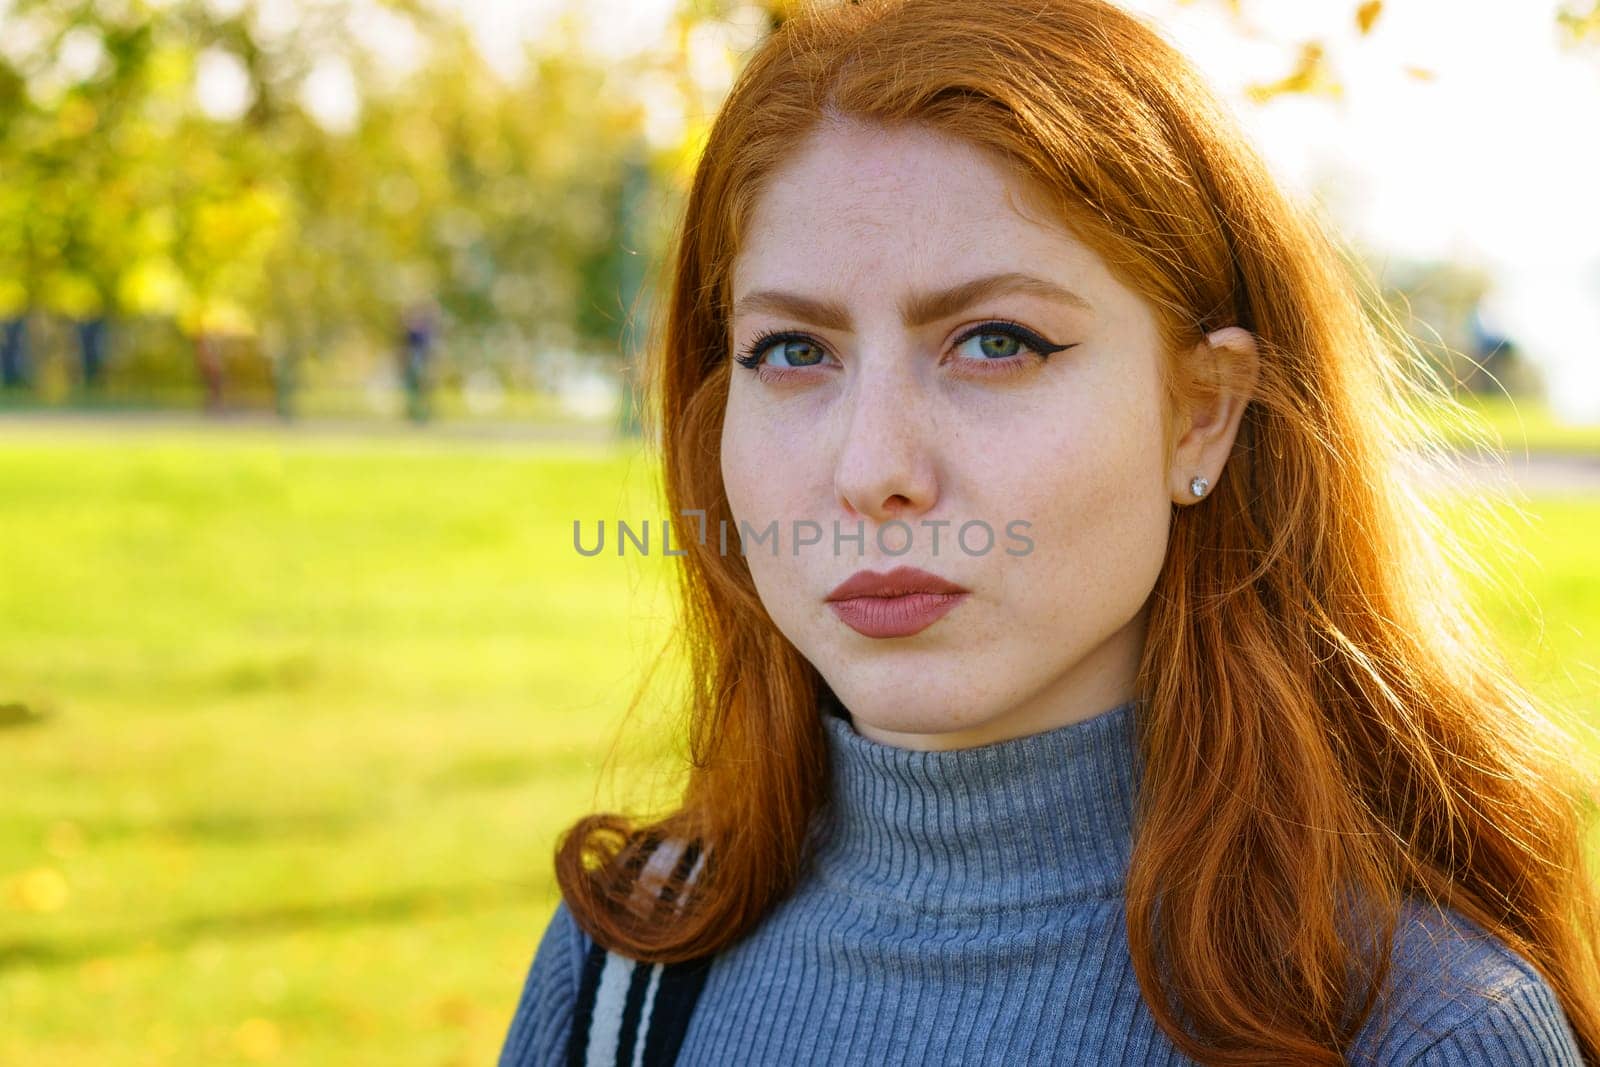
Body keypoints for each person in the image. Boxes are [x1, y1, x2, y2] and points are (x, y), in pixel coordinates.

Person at [498, 0, 1600, 1063]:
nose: (875, 467)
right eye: (793, 351)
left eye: (995, 342)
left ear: (1201, 411)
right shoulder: (622, 976)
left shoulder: (1421, 1029)